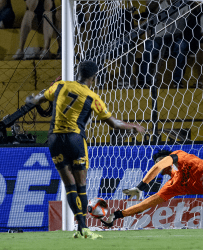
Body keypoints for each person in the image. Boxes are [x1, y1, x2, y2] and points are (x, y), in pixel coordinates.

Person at [25, 61, 146, 239]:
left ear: (78, 73)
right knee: (81, 186)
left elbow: (37, 99)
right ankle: (85, 228)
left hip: (54, 139)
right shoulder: (92, 97)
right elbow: (113, 123)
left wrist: (31, 99)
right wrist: (133, 126)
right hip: (75, 139)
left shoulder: (60, 86)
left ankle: (81, 228)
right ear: (93, 78)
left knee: (69, 186)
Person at [138, 0, 190, 88]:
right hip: (158, 37)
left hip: (175, 37)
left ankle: (177, 81)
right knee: (149, 47)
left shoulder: (183, 4)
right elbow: (149, 8)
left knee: (182, 46)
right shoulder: (159, 3)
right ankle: (144, 81)